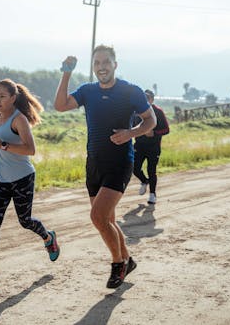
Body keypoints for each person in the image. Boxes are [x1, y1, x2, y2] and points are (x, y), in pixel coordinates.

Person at [54, 45, 157, 288]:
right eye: (97, 63)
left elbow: (150, 120)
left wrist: (131, 132)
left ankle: (117, 264)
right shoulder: (88, 91)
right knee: (106, 220)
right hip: (94, 163)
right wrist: (66, 73)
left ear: (115, 65)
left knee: (98, 216)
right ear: (93, 66)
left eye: (106, 62)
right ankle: (128, 260)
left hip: (120, 162)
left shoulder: (130, 91)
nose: (101, 66)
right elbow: (60, 105)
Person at [0, 78, 60, 286]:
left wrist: (2, 145)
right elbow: (2, 146)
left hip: (22, 179)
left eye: (2, 96)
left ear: (13, 98)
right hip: (0, 178)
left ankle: (48, 238)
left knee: (25, 221)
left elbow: (30, 150)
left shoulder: (19, 120)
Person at [133, 90, 170, 204]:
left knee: (151, 170)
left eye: (148, 98)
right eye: (144, 97)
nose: (146, 100)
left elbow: (166, 129)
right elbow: (132, 126)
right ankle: (144, 181)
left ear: (152, 99)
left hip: (153, 147)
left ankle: (152, 195)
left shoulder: (158, 111)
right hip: (139, 146)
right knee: (134, 168)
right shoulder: (136, 112)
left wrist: (154, 133)